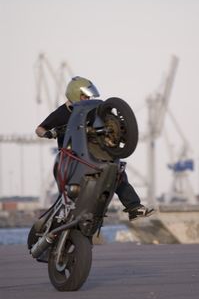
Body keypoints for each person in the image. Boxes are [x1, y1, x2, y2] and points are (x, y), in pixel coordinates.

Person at [35, 76, 155, 221]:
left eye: (88, 95)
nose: (88, 98)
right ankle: (61, 215)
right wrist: (48, 133)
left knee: (117, 172)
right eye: (84, 95)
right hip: (70, 157)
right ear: (75, 93)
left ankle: (134, 207)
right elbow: (39, 129)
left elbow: (107, 121)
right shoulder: (61, 113)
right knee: (68, 190)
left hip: (91, 153)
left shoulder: (93, 109)